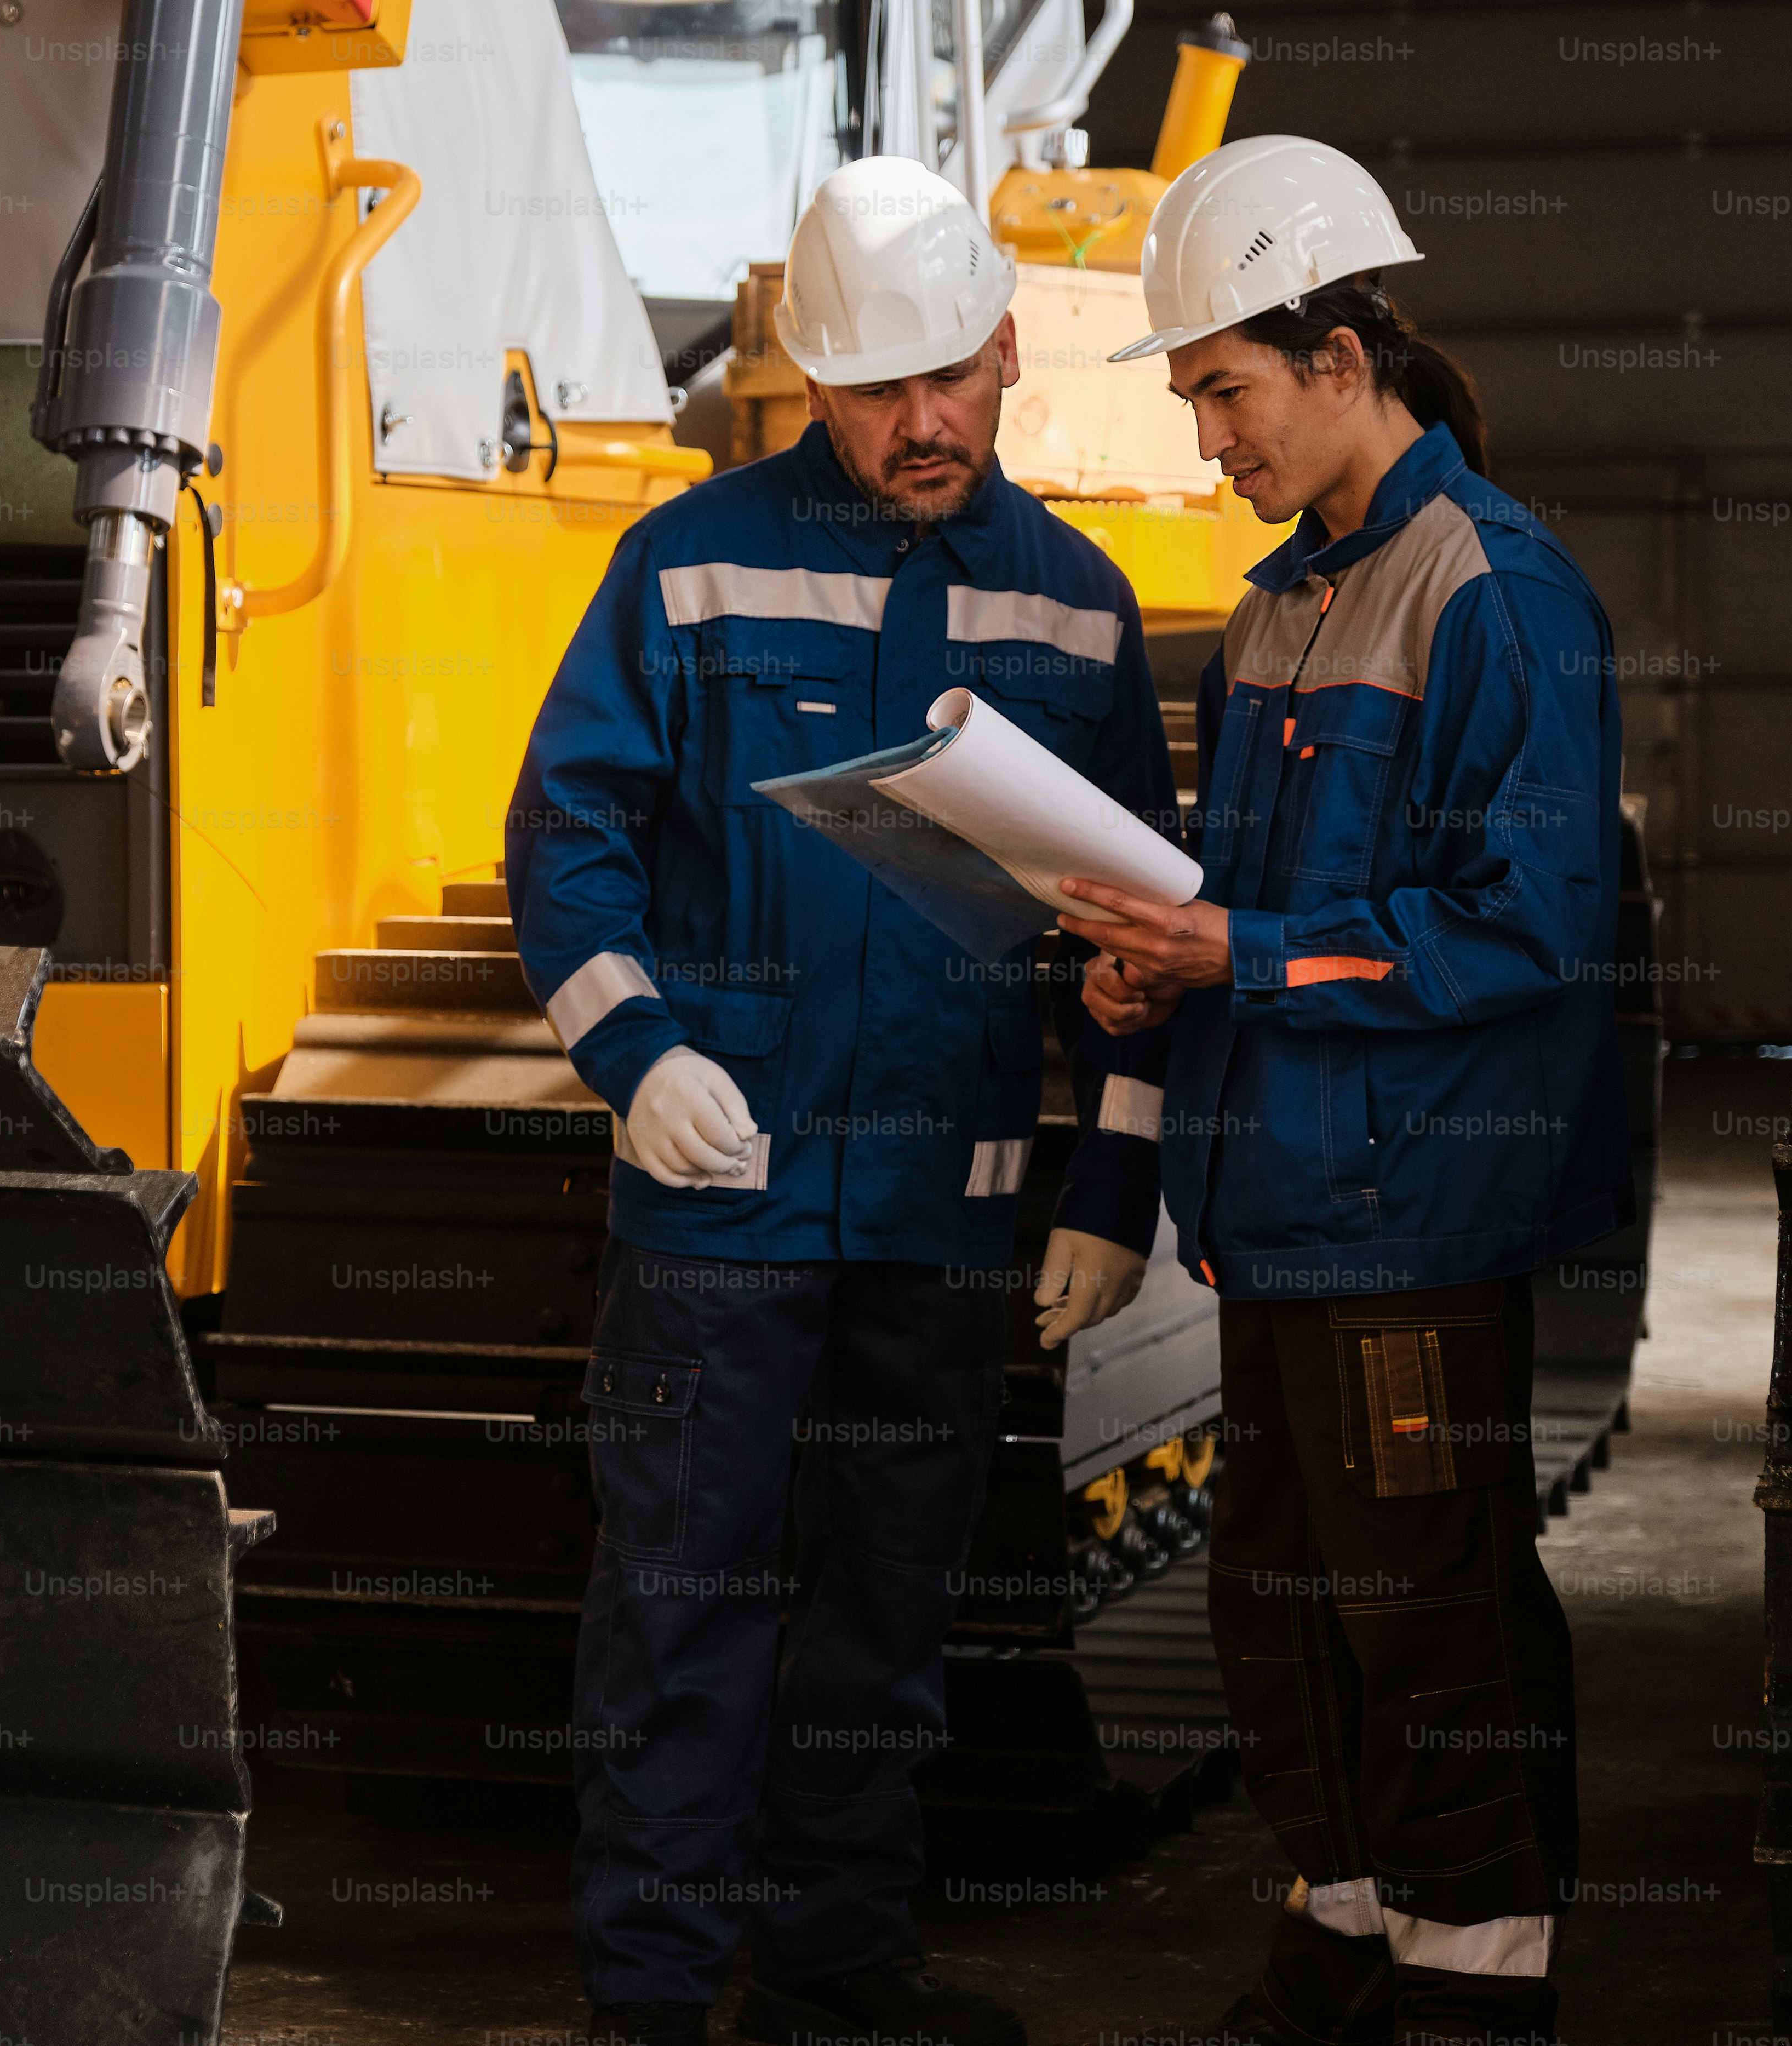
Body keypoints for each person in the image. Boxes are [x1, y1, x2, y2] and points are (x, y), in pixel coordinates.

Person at [507, 155, 1180, 2046]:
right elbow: (567, 836)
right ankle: (647, 2005)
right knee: (682, 1621)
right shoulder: (688, 562)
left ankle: (834, 1980)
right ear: (810, 385)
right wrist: (637, 1059)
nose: (924, 424)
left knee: (889, 1622)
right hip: (720, 1215)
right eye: (877, 391)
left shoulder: (1079, 610)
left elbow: (1142, 922)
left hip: (942, 1228)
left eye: (951, 377)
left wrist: (1110, 1185)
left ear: (1006, 347)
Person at [1061, 135, 1631, 2046]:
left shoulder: (1496, 592)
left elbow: (1525, 924)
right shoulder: (1277, 611)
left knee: (1421, 1604)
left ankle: (1475, 1980)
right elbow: (1271, 907)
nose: (1209, 438)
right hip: (1280, 1208)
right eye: (1197, 396)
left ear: (1340, 351)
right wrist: (1170, 970)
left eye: (1225, 390)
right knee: (1287, 1600)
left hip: (1412, 1212)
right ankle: (1346, 1928)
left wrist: (1249, 959)